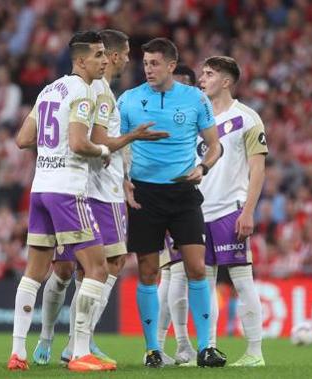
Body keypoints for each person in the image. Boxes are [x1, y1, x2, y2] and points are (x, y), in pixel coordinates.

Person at [32, 29, 168, 367]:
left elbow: (34, 135)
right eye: (123, 56)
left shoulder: (71, 88)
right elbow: (97, 140)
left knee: (66, 268)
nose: (123, 62)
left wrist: (121, 176)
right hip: (97, 191)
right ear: (115, 55)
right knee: (107, 264)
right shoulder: (101, 93)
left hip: (74, 185)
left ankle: (49, 340)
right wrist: (130, 138)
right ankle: (80, 341)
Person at [8, 31, 115, 372]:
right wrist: (103, 150)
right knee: (98, 267)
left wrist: (50, 154)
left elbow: (23, 138)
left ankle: (17, 353)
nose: (105, 60)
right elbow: (80, 142)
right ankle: (80, 352)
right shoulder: (84, 92)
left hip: (40, 189)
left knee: (35, 271)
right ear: (81, 60)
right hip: (68, 190)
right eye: (99, 55)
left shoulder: (49, 89)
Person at [118, 37, 225, 368]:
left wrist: (203, 167)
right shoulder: (129, 100)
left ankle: (206, 346)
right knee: (148, 272)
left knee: (196, 268)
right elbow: (118, 145)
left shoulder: (195, 99)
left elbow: (214, 145)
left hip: (183, 192)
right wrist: (124, 181)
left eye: (154, 63)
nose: (147, 69)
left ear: (170, 66)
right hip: (144, 193)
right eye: (145, 63)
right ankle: (152, 349)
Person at [198, 56, 267, 366]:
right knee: (205, 283)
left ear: (225, 81)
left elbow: (258, 169)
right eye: (203, 72)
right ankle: (208, 348)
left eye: (209, 74)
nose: (202, 78)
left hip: (230, 209)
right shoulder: (198, 118)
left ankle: (254, 352)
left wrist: (248, 211)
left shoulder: (247, 118)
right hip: (199, 212)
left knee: (242, 280)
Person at [155, 65, 198, 365]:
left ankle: (158, 347)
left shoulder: (194, 116)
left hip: (186, 203)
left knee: (170, 273)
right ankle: (179, 344)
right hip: (172, 201)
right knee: (176, 271)